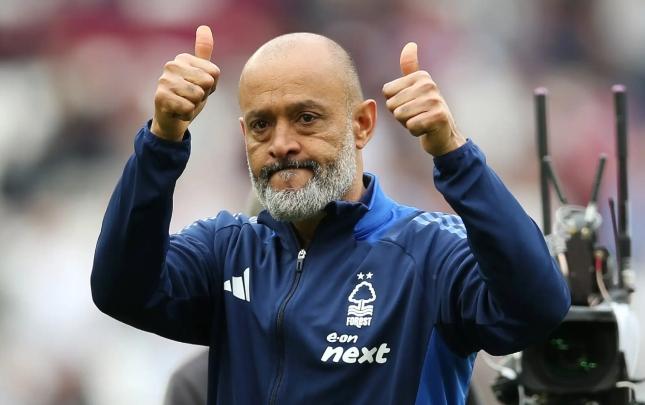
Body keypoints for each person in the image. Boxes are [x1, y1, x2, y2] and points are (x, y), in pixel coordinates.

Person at [91, 26, 571, 404]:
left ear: (362, 124)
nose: (281, 144)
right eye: (261, 125)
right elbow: (120, 289)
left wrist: (454, 155)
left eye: (306, 118)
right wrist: (162, 140)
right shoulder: (226, 251)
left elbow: (538, 308)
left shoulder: (429, 254)